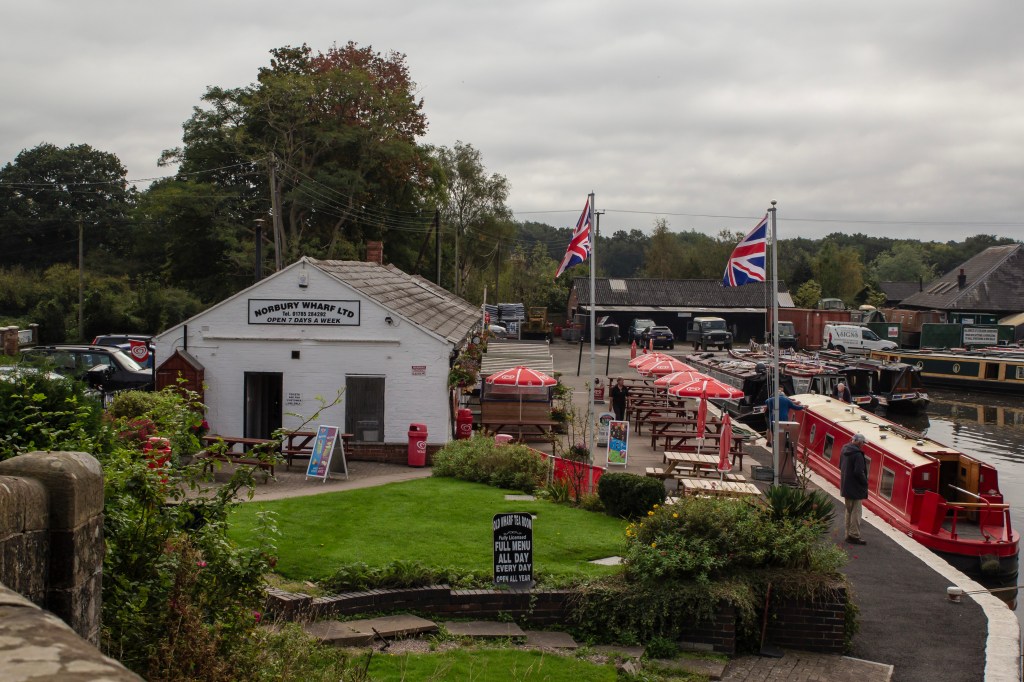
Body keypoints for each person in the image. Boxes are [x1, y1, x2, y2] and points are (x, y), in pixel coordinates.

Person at [840, 433, 869, 545]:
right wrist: (865, 482)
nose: (863, 445)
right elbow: (858, 472)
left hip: (845, 485)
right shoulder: (858, 455)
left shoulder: (844, 449)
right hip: (856, 488)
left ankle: (848, 534)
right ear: (858, 442)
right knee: (856, 512)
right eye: (863, 443)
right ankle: (854, 535)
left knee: (849, 511)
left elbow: (840, 465)